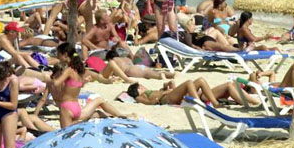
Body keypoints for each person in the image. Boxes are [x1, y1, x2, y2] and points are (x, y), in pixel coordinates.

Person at [127, 78, 259, 107]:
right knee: (189, 82)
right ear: (138, 89)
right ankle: (202, 106)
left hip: (174, 94)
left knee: (201, 80)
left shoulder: (151, 91)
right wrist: (163, 93)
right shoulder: (140, 97)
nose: (143, 86)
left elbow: (172, 84)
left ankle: (253, 102)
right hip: (167, 99)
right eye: (141, 85)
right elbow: (151, 102)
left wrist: (167, 86)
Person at [105, 49, 173, 80]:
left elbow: (110, 74)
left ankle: (161, 76)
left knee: (147, 74)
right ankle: (170, 74)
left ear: (109, 58)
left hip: (130, 70)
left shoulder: (113, 61)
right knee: (149, 72)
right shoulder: (126, 58)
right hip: (137, 66)